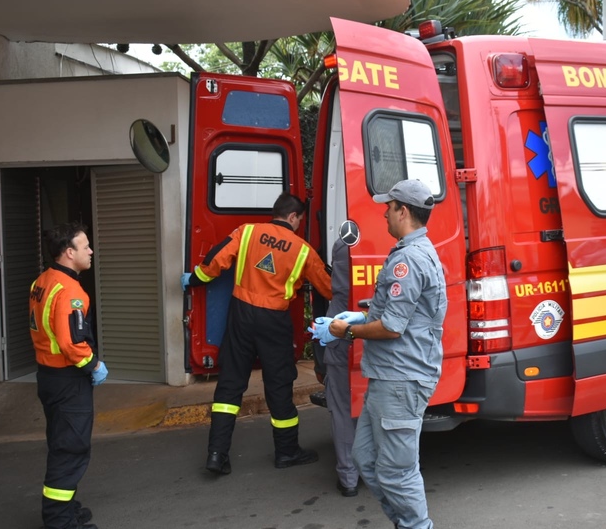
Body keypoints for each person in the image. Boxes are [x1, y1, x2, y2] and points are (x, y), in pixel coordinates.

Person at [314, 179, 446, 529]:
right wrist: (362, 314)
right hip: (388, 375)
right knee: (365, 459)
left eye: (388, 207)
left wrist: (348, 331)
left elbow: (392, 326)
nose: (384, 212)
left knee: (398, 472)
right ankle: (406, 523)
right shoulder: (412, 252)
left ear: (403, 211)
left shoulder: (410, 260)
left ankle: (417, 526)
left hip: (401, 379)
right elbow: (400, 310)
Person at [182, 192, 332, 475]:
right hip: (274, 321)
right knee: (278, 384)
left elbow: (215, 261)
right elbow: (328, 287)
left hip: (240, 315)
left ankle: (216, 454)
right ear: (292, 217)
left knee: (230, 383)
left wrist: (194, 279)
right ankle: (286, 452)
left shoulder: (247, 232)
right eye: (299, 220)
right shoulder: (303, 250)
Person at [30, 222, 108, 529]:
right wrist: (93, 365)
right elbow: (71, 342)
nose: (91, 251)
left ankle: (66, 509)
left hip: (48, 375)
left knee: (61, 442)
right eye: (85, 246)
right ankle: (59, 522)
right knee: (70, 448)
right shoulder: (71, 291)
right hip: (67, 380)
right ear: (68, 252)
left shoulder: (43, 281)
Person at [320, 237, 359, 497]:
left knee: (343, 408)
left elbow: (337, 286)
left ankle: (349, 479)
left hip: (340, 332)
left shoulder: (345, 242)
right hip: (380, 335)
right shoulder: (396, 242)